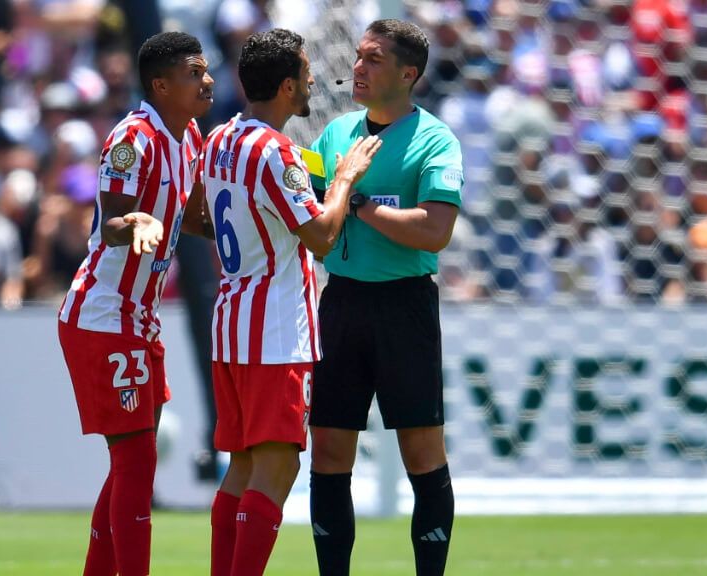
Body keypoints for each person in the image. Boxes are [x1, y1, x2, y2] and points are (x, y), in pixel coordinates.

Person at [202, 29, 381, 576]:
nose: (312, 80)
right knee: (276, 471)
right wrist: (345, 179)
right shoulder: (275, 152)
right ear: (286, 85)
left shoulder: (220, 139)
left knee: (243, 468)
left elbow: (207, 220)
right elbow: (322, 237)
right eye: (305, 72)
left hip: (231, 325)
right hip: (275, 331)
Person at [308, 19, 464, 576]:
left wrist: (358, 202)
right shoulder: (334, 136)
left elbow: (434, 231)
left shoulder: (435, 140)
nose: (358, 68)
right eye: (358, 56)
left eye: (373, 59)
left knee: (422, 456)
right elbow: (310, 214)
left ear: (408, 73)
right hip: (342, 303)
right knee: (328, 452)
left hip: (405, 308)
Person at [56, 31, 214, 576]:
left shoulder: (191, 135)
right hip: (102, 312)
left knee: (130, 462)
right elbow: (114, 217)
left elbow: (193, 218)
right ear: (161, 84)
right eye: (195, 72)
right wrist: (138, 221)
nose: (207, 81)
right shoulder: (133, 136)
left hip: (139, 317)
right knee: (137, 457)